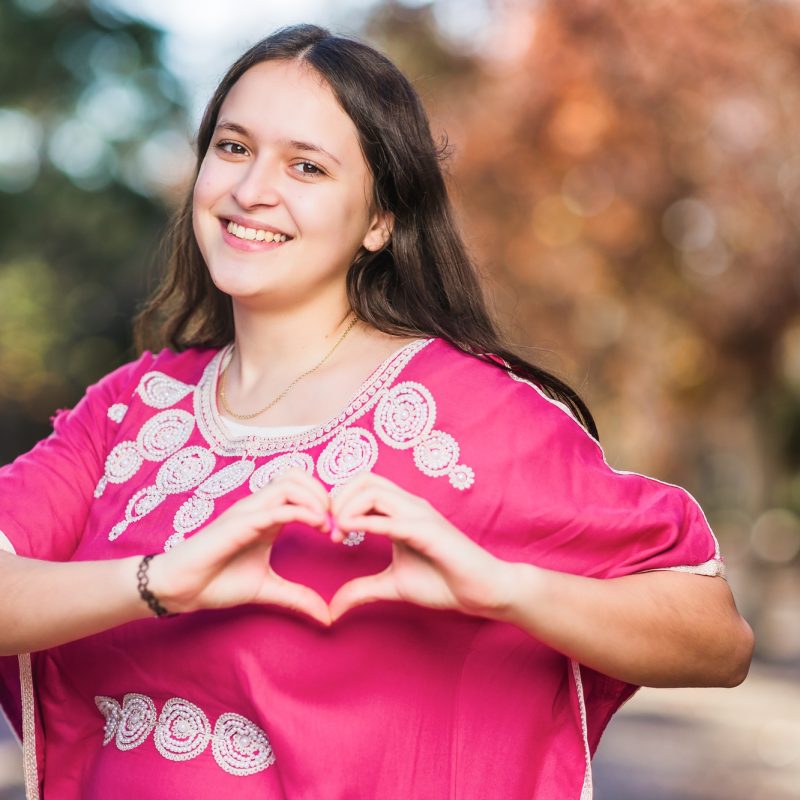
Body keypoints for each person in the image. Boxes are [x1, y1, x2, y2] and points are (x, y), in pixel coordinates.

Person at [0, 24, 753, 800]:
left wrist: (506, 588)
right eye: (232, 147)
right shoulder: (130, 407)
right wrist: (158, 582)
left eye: (306, 166)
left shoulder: (470, 415)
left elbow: (715, 638)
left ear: (380, 221)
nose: (252, 189)